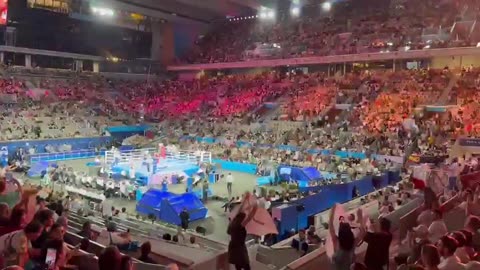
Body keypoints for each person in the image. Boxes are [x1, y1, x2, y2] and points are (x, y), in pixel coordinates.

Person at [329, 205, 363, 270]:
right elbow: (363, 232)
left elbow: (331, 226)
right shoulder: (353, 243)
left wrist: (332, 213)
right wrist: (360, 217)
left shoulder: (336, 243)